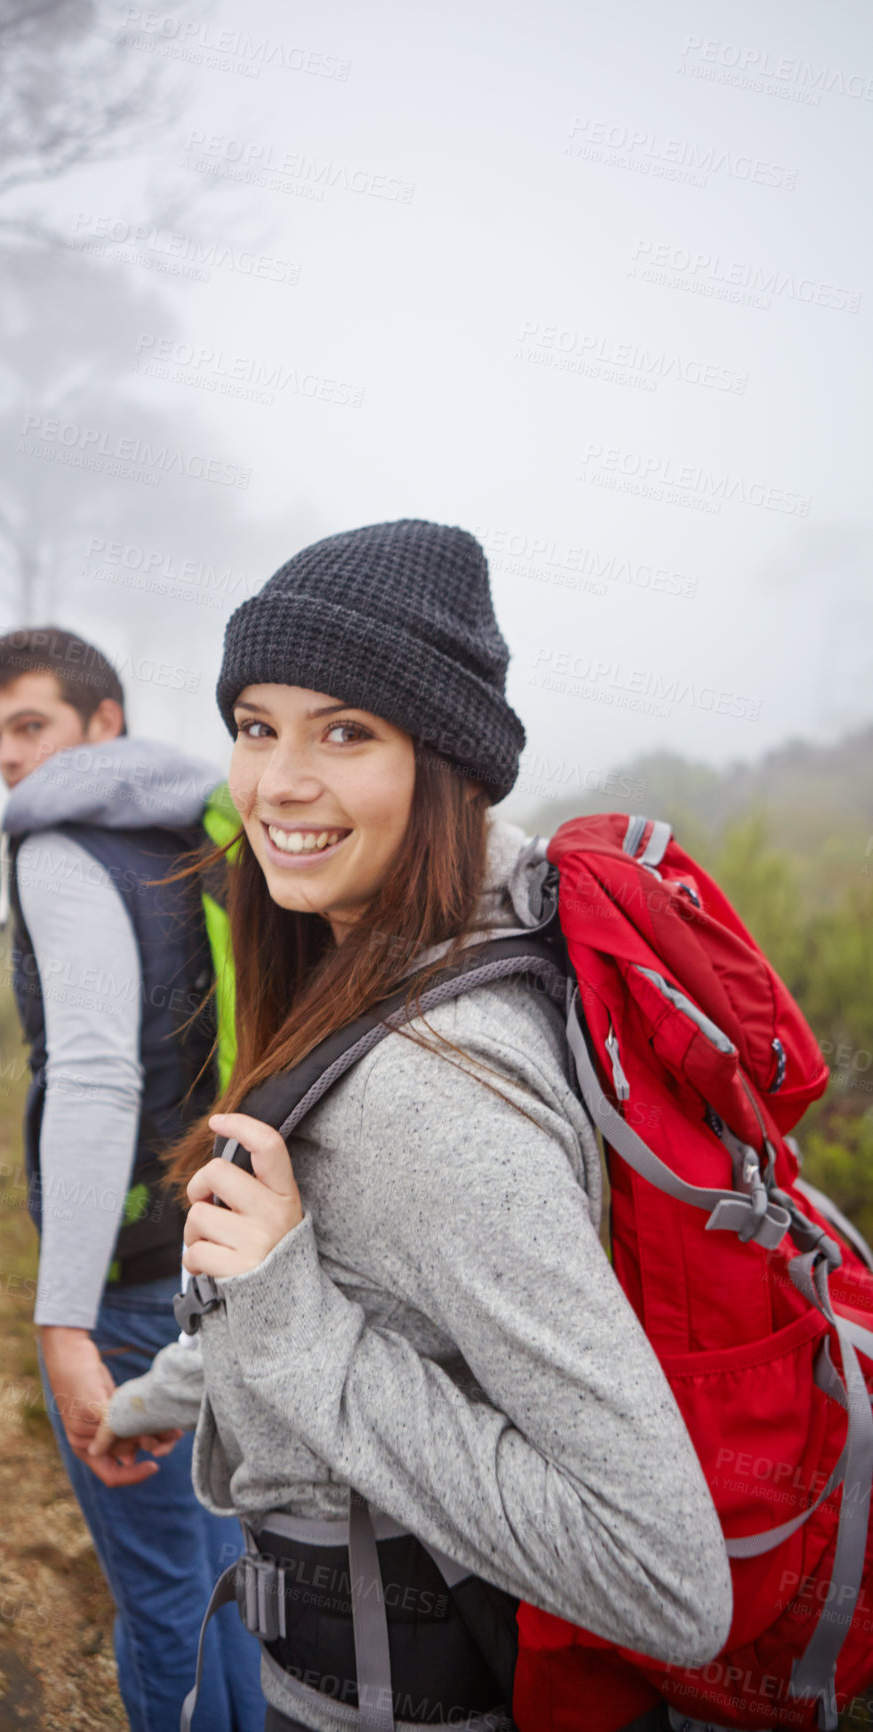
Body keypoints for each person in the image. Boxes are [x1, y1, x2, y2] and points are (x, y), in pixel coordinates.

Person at [86, 523, 734, 1732]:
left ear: (443, 765)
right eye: (254, 724)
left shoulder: (432, 1090)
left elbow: (662, 1573)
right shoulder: (444, 953)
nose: (277, 781)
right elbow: (357, 1294)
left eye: (345, 731)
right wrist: (141, 1405)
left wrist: (286, 1322)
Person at [0, 626, 265, 1732]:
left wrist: (62, 1324)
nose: (9, 756)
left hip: (130, 1283)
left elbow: (95, 1073)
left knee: (160, 1600)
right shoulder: (209, 833)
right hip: (232, 1247)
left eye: (32, 724)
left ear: (105, 722)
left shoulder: (58, 848)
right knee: (232, 1575)